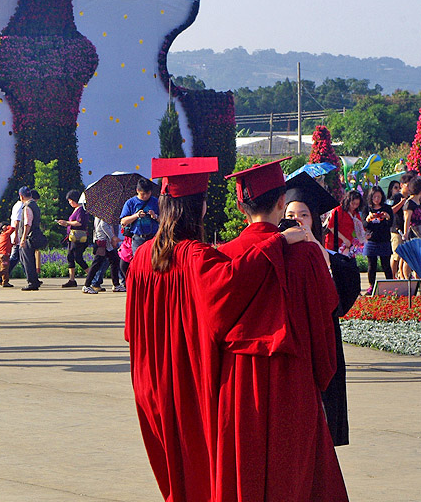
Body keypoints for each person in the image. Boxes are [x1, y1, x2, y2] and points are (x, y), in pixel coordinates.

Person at [125, 157, 316, 501]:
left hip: (149, 378)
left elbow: (131, 330)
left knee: (173, 472)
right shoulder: (197, 256)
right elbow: (230, 286)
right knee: (198, 473)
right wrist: (277, 242)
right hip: (187, 378)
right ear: (198, 209)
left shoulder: (140, 259)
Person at [219, 159, 348, 500]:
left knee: (244, 471)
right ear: (282, 203)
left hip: (240, 381)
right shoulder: (305, 254)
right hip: (294, 376)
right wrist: (320, 373)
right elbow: (325, 315)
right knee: (294, 475)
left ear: (239, 205)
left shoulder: (224, 257)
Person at [285, 172, 361, 447]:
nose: (296, 220)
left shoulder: (336, 262)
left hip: (324, 344)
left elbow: (341, 305)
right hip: (291, 346)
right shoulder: (275, 257)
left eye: (303, 215)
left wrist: (318, 252)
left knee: (323, 423)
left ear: (315, 220)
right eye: (290, 214)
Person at [363, 185, 394, 293]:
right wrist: (368, 219)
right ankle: (371, 286)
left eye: (379, 197)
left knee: (386, 264)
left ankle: (391, 285)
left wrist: (387, 217)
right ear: (371, 197)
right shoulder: (367, 208)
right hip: (372, 240)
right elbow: (365, 224)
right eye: (374, 197)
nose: (377, 199)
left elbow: (390, 224)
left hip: (384, 240)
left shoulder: (387, 208)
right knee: (372, 264)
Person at [82, 213, 123, 294]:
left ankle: (116, 284)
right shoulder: (105, 213)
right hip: (102, 242)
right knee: (96, 264)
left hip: (104, 243)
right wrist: (113, 237)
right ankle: (86, 285)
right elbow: (103, 225)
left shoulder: (100, 212)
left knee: (114, 261)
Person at [57, 189, 89, 288]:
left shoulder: (81, 210)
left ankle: (92, 275)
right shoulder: (76, 209)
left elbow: (79, 222)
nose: (70, 202)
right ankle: (72, 279)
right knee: (70, 256)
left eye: (70, 200)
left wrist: (67, 223)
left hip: (78, 237)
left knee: (78, 257)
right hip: (72, 237)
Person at [120, 178, 159, 256]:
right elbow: (123, 221)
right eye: (143, 194)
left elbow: (164, 220)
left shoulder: (155, 201)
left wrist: (155, 216)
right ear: (137, 190)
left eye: (148, 194)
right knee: (138, 262)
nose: (145, 196)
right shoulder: (130, 203)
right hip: (138, 238)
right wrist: (136, 215)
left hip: (153, 237)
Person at [17, 186, 44, 291]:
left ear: (21, 196)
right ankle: (35, 280)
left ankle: (32, 282)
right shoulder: (35, 205)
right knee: (30, 259)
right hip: (35, 235)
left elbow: (27, 223)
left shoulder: (27, 206)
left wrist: (23, 238)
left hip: (29, 236)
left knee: (27, 260)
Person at [325, 190, 365, 255]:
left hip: (347, 247)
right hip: (334, 245)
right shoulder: (339, 210)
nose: (354, 206)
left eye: (357, 204)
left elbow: (359, 229)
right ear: (348, 201)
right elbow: (331, 227)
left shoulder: (355, 214)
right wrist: (344, 239)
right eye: (353, 203)